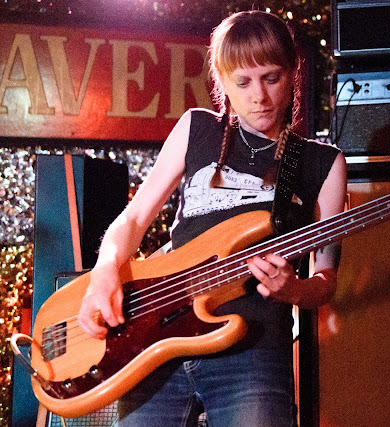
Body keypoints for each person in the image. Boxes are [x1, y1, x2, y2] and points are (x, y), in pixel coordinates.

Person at [77, 10, 346, 426]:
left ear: (295, 72)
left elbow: (325, 281)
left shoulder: (321, 162)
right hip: (158, 343)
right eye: (243, 82)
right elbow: (133, 220)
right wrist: (105, 270)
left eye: (271, 78)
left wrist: (293, 290)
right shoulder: (195, 129)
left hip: (252, 351)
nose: (259, 96)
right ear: (222, 82)